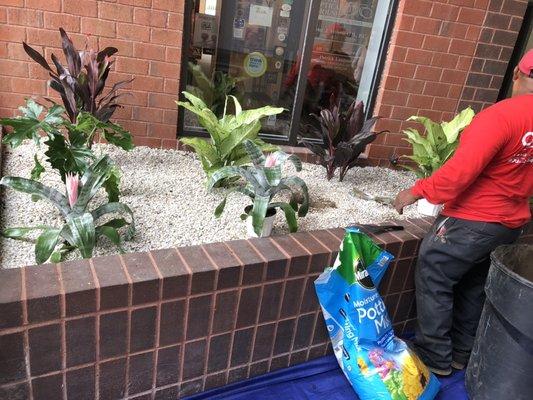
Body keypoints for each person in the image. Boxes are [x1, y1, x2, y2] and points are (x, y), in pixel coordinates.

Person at [393, 49, 533, 376]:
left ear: (517, 74)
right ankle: (461, 353)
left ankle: (434, 358)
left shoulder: (502, 116)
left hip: (475, 218)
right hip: (510, 223)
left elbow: (459, 173)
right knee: (472, 283)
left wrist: (415, 191)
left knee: (435, 270)